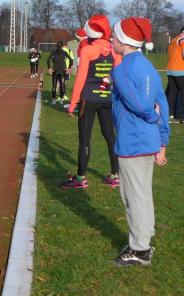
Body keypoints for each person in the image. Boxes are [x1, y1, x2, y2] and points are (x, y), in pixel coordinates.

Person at [109, 17, 169, 266]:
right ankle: (144, 238)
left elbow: (141, 104)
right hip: (148, 140)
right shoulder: (148, 66)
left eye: (114, 36)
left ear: (124, 41)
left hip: (132, 141)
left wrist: (151, 116)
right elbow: (161, 102)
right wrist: (162, 139)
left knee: (133, 196)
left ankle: (140, 249)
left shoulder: (122, 69)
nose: (111, 39)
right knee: (143, 193)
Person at [63, 15, 122, 189]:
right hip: (107, 98)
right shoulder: (114, 49)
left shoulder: (87, 50)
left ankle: (81, 178)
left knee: (85, 138)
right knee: (110, 136)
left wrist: (73, 104)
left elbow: (81, 79)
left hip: (89, 99)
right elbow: (118, 76)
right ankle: (115, 175)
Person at [165, 26, 184, 123]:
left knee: (172, 93)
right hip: (180, 70)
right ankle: (182, 116)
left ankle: (170, 115)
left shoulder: (173, 40)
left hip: (170, 70)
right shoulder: (182, 40)